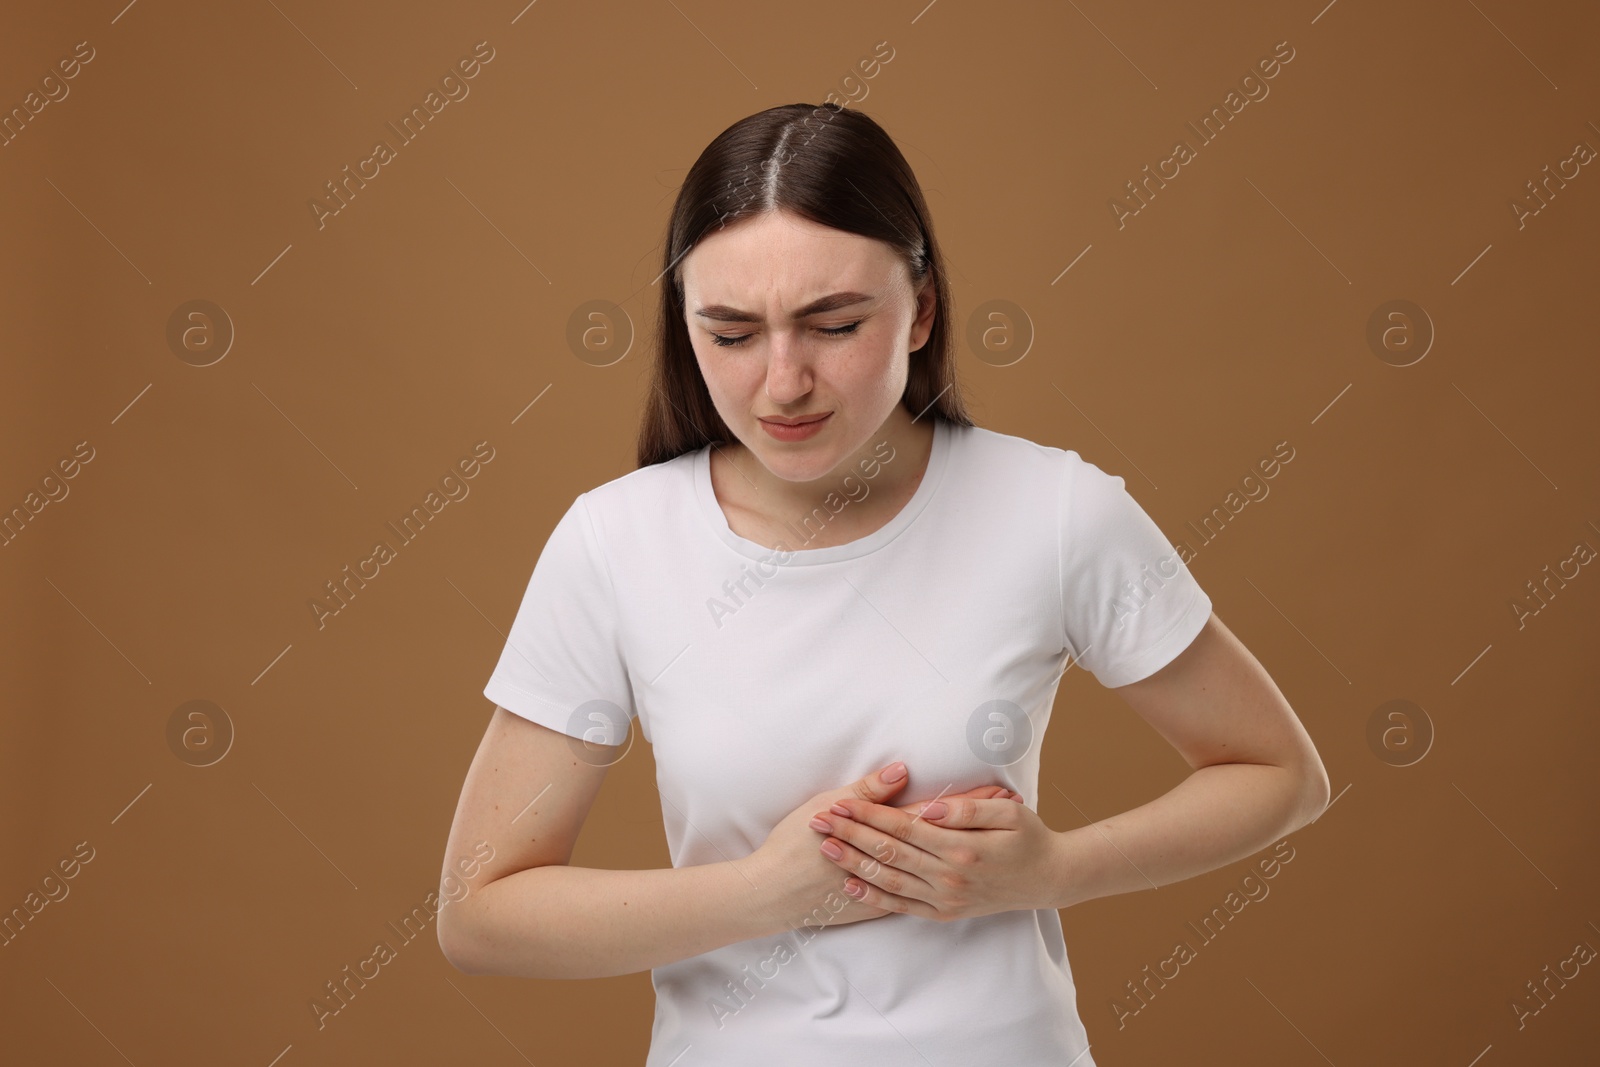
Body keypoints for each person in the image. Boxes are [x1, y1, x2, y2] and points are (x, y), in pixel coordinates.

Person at [437, 101, 1330, 1065]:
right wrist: (761, 892)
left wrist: (1058, 867)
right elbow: (480, 912)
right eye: (732, 334)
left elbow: (1281, 774)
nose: (784, 383)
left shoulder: (1055, 510)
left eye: (833, 324)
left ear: (923, 310)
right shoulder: (615, 542)